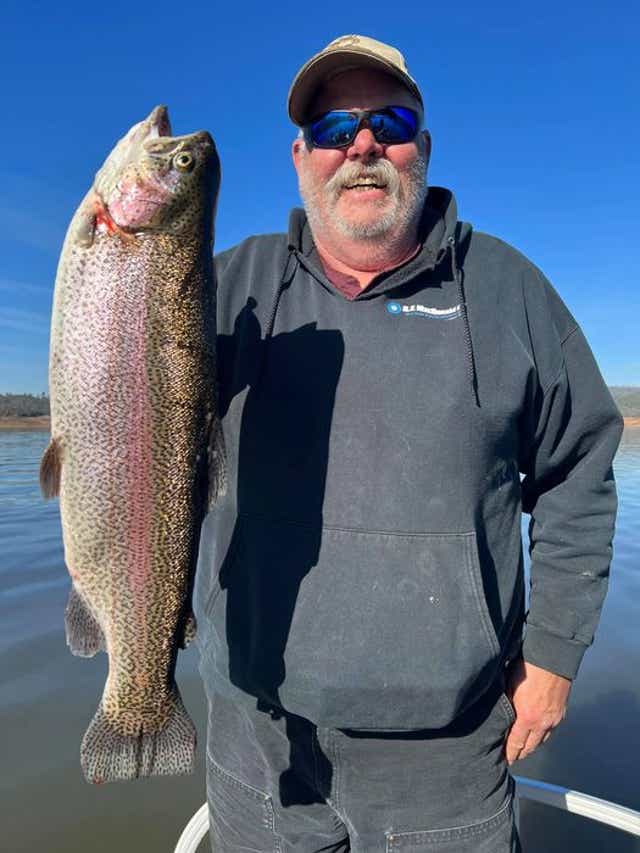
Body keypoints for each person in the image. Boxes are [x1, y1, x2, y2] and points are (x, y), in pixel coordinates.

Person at [193, 34, 623, 852]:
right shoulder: (228, 287)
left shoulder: (508, 289)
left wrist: (555, 656)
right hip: (255, 732)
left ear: (420, 147)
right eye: (331, 129)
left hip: (446, 756)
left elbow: (579, 468)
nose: (360, 145)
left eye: (387, 122)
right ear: (298, 157)